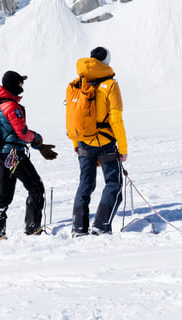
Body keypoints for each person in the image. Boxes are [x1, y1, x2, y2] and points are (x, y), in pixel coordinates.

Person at [67, 46, 128, 236]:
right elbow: (116, 118)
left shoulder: (76, 84)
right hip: (105, 141)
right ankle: (101, 225)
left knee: (85, 183)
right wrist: (123, 148)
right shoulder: (110, 85)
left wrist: (76, 143)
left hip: (83, 141)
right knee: (114, 183)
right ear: (106, 62)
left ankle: (78, 227)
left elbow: (72, 116)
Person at [0, 70, 57, 238]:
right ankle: (33, 227)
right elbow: (23, 133)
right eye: (20, 83)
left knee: (4, 194)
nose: (22, 86)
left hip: (3, 154)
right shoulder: (11, 106)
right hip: (14, 154)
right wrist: (38, 139)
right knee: (36, 187)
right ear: (14, 85)